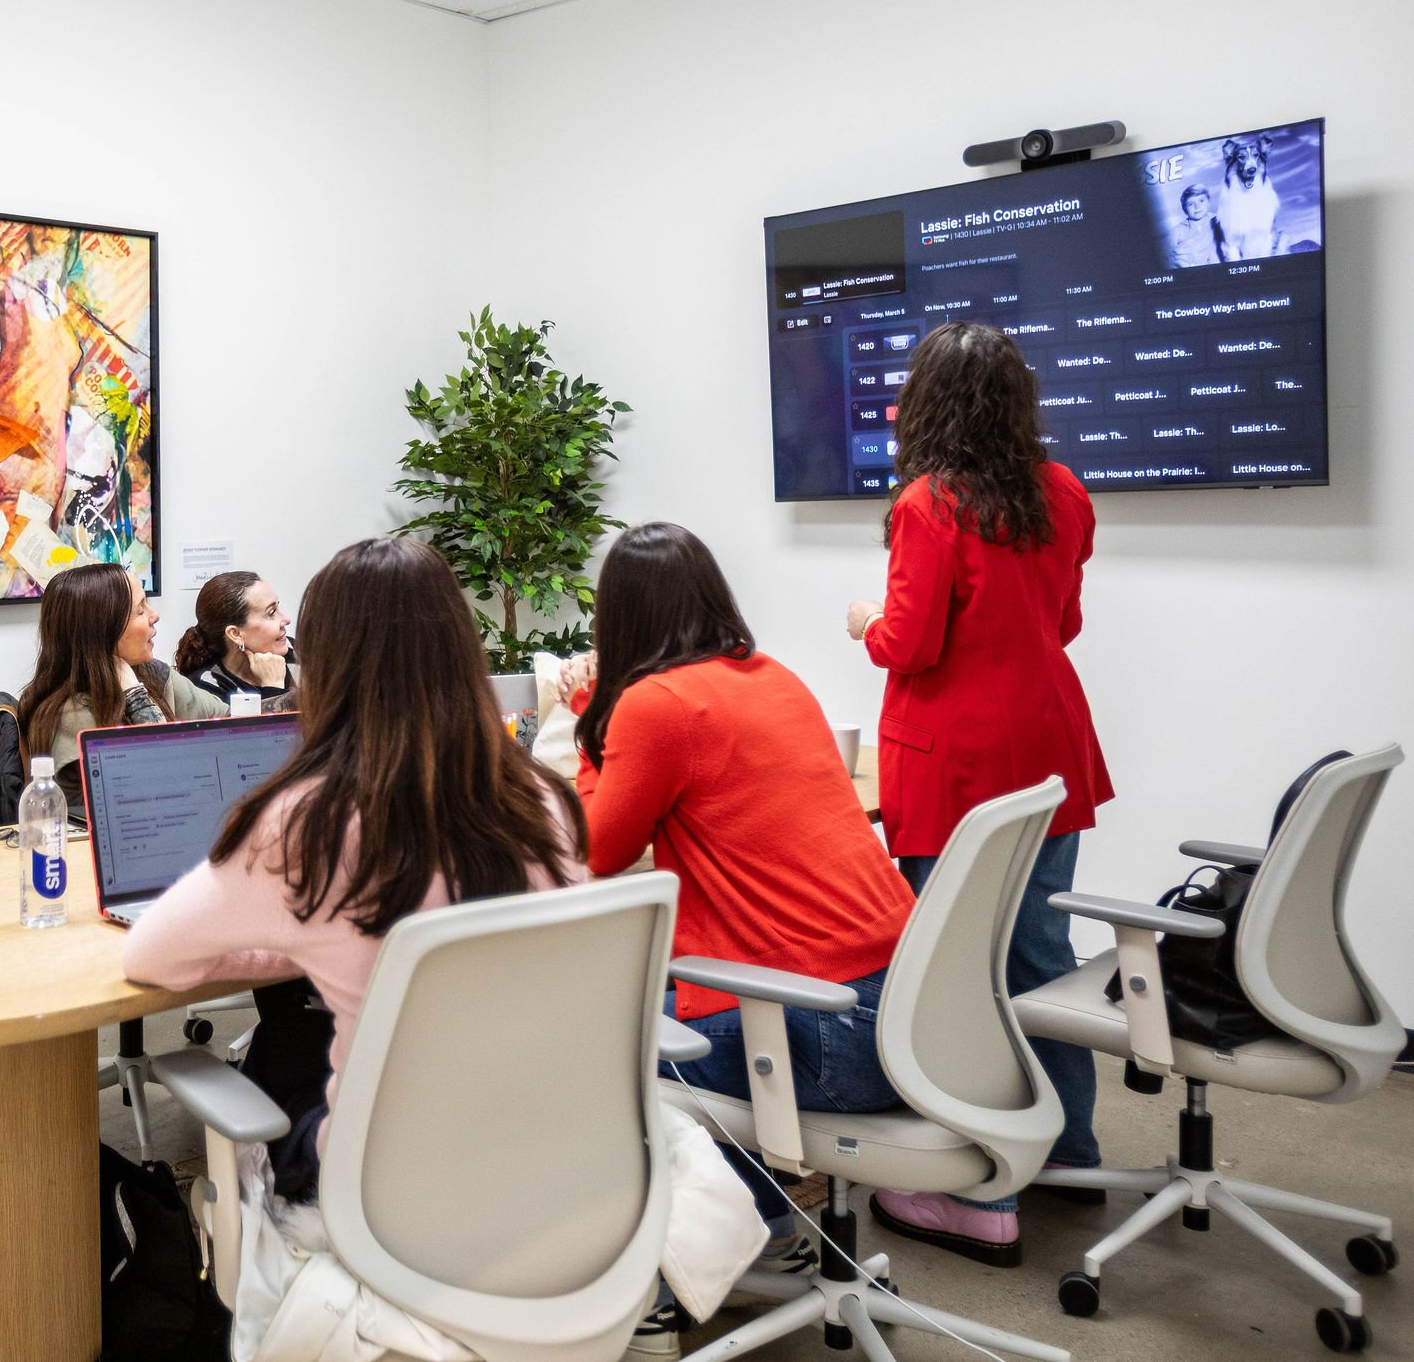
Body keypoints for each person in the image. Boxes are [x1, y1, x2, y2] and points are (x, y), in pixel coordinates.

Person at [121, 536, 586, 1203]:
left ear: (331, 661)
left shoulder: (304, 818)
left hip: (386, 1185)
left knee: (281, 1055)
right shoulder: (544, 800)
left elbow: (150, 953)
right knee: (298, 1037)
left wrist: (290, 939)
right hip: (547, 1151)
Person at [561, 521, 916, 1275]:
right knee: (658, 990)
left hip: (824, 1033)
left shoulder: (656, 704)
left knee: (580, 1033)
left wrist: (591, 714)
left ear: (617, 618)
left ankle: (661, 1276)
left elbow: (599, 849)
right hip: (908, 1014)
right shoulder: (772, 674)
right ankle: (762, 1226)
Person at [845, 320, 1113, 1266]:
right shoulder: (1064, 490)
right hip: (1045, 747)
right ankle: (1068, 1152)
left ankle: (970, 1160)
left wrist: (865, 621)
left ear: (927, 404)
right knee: (1041, 952)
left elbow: (910, 644)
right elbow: (1065, 619)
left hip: (954, 760)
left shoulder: (927, 503)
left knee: (948, 967)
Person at [0, 561, 226, 829]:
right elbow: (163, 788)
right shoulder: (69, 713)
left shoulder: (152, 674)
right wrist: (136, 698)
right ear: (102, 632)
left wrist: (272, 685)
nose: (154, 616)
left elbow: (230, 721)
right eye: (140, 610)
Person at [175, 570, 296, 705]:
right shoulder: (207, 689)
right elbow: (274, 726)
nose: (286, 619)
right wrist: (273, 687)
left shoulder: (298, 653)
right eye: (271, 612)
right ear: (235, 634)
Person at [1168, 183, 1220, 268]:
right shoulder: (1178, 230)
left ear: (1209, 202)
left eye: (1201, 201)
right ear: (1184, 209)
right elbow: (1164, 254)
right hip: (1179, 270)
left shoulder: (1217, 221)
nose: (1197, 207)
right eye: (1190, 204)